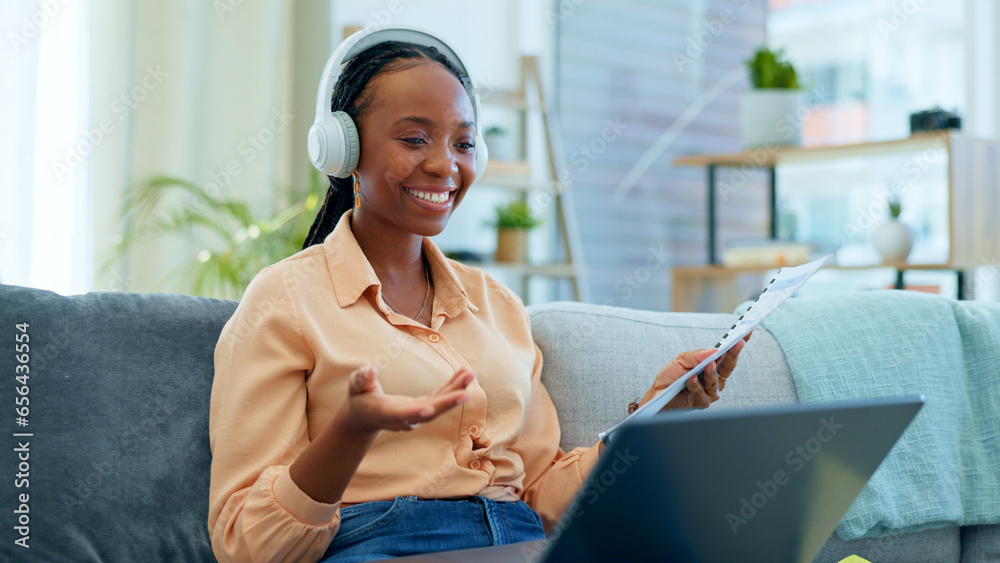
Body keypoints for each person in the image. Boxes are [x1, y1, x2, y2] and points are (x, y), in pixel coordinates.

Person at [208, 26, 748, 563]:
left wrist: (654, 417)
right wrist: (352, 430)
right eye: (415, 138)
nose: (446, 165)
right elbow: (246, 545)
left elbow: (544, 493)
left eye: (463, 143)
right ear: (343, 147)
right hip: (380, 544)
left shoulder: (496, 305)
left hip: (520, 542)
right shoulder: (284, 300)